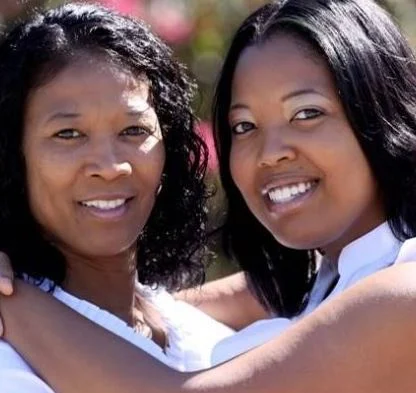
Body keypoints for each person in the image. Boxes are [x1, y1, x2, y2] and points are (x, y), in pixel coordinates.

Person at [2, 0, 416, 391]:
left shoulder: (400, 290)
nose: (271, 153)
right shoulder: (332, 279)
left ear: (380, 110)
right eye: (244, 126)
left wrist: (13, 300)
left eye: (307, 113)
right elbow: (223, 299)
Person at [0, 2, 270, 392]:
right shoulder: (9, 349)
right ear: (13, 157)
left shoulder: (204, 336)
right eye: (68, 134)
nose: (110, 166)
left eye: (133, 130)